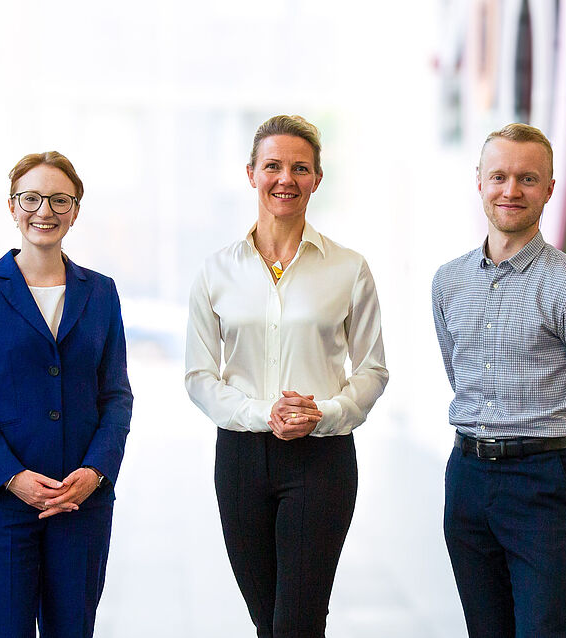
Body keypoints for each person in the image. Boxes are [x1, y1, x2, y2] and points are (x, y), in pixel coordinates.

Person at [184, 115, 389, 638]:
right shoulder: (216, 271)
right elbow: (199, 375)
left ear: (317, 179)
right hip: (240, 460)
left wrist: (325, 413)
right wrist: (261, 413)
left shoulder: (348, 268)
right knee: (267, 621)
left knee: (298, 621)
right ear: (251, 173)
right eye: (273, 165)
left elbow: (371, 370)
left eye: (300, 168)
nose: (285, 179)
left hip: (322, 461)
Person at [431, 122, 566, 638]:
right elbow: (460, 373)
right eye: (499, 176)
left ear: (549, 189)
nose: (511, 190)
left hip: (544, 480)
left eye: (527, 179)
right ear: (479, 182)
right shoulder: (448, 282)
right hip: (468, 478)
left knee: (544, 629)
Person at [0, 151, 132, 638]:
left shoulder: (102, 292)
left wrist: (96, 472)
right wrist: (12, 476)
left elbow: (116, 396)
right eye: (31, 198)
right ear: (12, 206)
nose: (43, 210)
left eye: (58, 200)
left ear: (75, 210)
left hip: (80, 502)